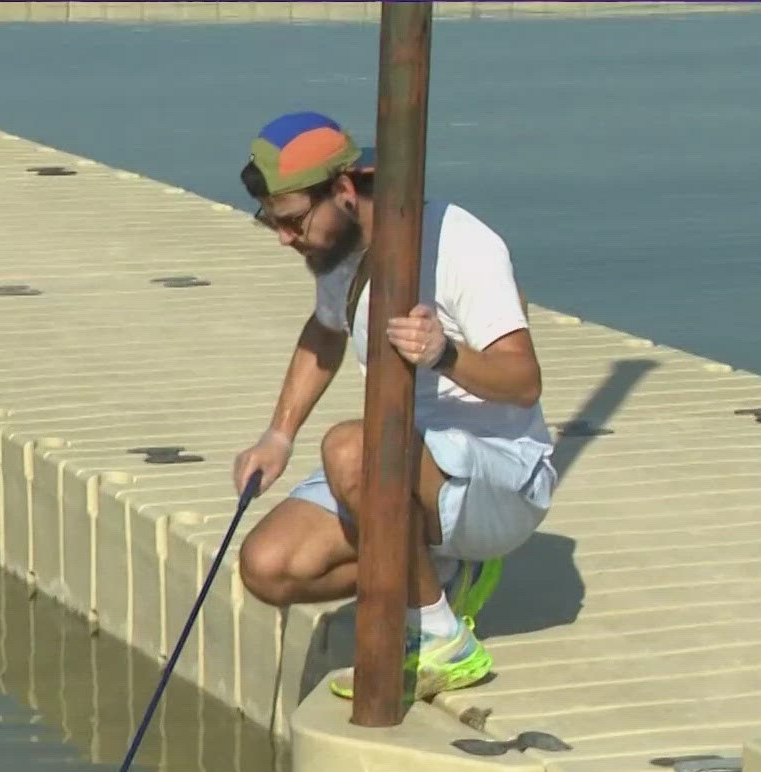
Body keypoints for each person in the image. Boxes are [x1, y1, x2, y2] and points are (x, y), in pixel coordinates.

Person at [230, 111, 556, 701]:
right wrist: (277, 435)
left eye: (294, 221)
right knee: (267, 567)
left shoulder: (460, 244)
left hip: (500, 477)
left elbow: (523, 380)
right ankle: (436, 567)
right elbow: (327, 331)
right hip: (401, 458)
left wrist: (445, 354)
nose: (285, 238)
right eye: (271, 223)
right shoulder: (338, 249)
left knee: (350, 447)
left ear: (346, 191)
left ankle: (439, 638)